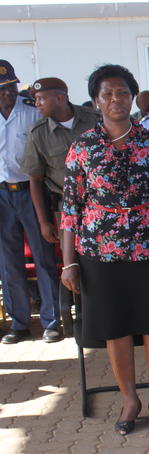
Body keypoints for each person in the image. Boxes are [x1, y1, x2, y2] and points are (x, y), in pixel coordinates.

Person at [60, 64, 149, 434]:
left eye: (122, 93)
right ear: (95, 101)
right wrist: (68, 263)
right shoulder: (82, 148)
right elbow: (70, 209)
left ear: (132, 98)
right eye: (108, 94)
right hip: (101, 253)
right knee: (115, 327)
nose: (115, 100)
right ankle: (130, 399)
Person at [0, 60, 61, 345]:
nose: (8, 94)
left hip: (30, 191)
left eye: (11, 87)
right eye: (2, 90)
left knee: (43, 257)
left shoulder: (30, 113)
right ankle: (20, 323)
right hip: (1, 195)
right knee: (8, 261)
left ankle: (51, 321)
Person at [22, 77, 101, 250]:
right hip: (67, 209)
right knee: (73, 265)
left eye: (41, 99)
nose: (37, 104)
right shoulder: (38, 133)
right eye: (36, 99)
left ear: (60, 98)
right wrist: (44, 222)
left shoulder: (95, 120)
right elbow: (35, 180)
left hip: (104, 204)